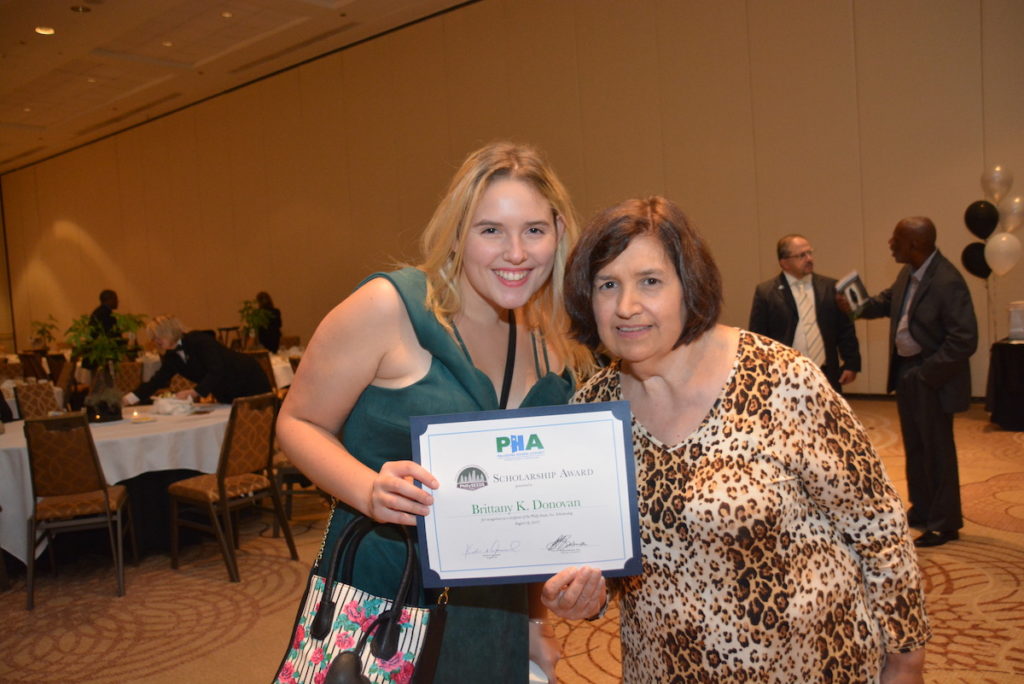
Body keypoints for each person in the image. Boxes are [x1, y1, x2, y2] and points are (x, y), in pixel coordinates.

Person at [554, 196, 930, 682]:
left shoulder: (780, 379)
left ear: (689, 287)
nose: (627, 307)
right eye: (608, 285)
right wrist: (586, 593)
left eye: (650, 281)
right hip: (665, 669)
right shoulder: (591, 414)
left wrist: (906, 655)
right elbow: (602, 559)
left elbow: (876, 523)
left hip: (810, 663)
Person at [275, 142, 597, 682]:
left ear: (559, 232)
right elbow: (298, 421)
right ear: (457, 231)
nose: (515, 252)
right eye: (490, 229)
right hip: (383, 600)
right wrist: (367, 488)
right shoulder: (387, 307)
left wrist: (534, 622)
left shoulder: (551, 346)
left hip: (491, 613)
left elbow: (522, 513)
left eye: (534, 230)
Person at [845, 217, 978, 548]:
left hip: (932, 376)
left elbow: (964, 339)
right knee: (916, 447)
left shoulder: (948, 281)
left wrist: (927, 374)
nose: (891, 243)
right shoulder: (909, 273)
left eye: (897, 239)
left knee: (938, 451)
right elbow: (887, 302)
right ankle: (922, 510)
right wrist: (856, 308)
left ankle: (945, 522)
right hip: (908, 373)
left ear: (915, 245)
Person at [749, 235, 861, 392]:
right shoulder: (766, 292)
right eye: (801, 255)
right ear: (784, 263)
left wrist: (851, 363)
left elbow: (845, 328)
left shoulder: (830, 287)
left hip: (826, 372)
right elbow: (758, 336)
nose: (809, 259)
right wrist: (761, 372)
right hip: (785, 375)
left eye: (810, 253)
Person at [122, 315, 270, 405]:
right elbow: (158, 380)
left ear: (168, 331)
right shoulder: (171, 356)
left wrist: (194, 392)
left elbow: (217, 369)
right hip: (226, 393)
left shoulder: (198, 340)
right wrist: (129, 399)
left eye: (157, 336)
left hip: (248, 380)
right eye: (153, 338)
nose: (155, 341)